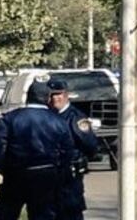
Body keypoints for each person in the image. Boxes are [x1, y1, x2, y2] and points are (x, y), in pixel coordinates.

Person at [0, 81, 75, 220]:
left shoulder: (10, 118)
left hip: (16, 173)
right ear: (47, 99)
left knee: (6, 213)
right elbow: (67, 150)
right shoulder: (58, 121)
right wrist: (59, 170)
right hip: (46, 174)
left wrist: (2, 166)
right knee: (43, 214)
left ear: (28, 97)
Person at [47, 79, 99, 220]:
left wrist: (79, 159)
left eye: (58, 94)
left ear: (66, 95)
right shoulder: (47, 115)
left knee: (71, 211)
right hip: (50, 174)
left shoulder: (75, 117)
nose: (54, 98)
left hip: (70, 175)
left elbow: (91, 145)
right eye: (51, 95)